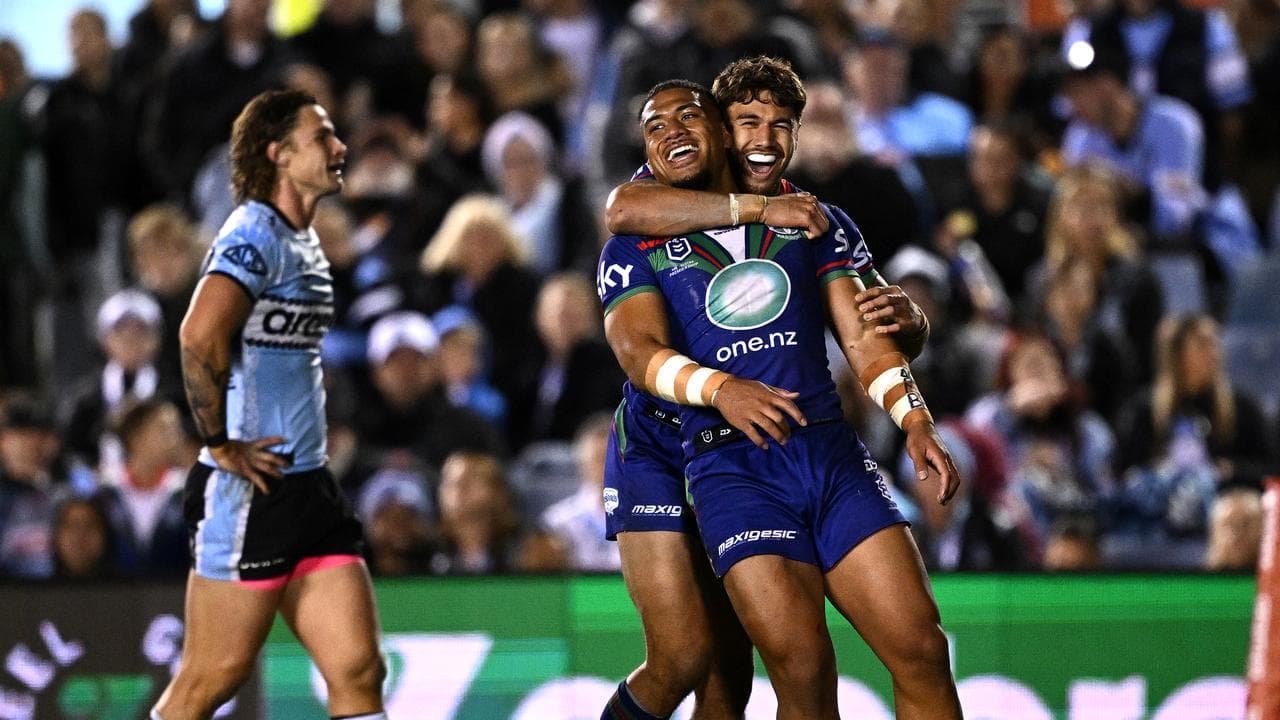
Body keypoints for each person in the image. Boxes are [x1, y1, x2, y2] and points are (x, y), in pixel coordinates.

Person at [599, 74, 962, 719]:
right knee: (708, 663)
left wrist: (914, 417)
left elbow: (866, 335)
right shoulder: (643, 225)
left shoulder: (817, 219)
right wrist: (724, 390)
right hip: (699, 449)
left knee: (923, 649)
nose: (764, 139)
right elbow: (635, 336)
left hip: (825, 448)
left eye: (781, 126)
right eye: (749, 123)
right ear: (724, 130)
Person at [151, 90, 386, 720]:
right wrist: (218, 442)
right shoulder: (254, 232)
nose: (340, 148)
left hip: (308, 483)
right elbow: (199, 335)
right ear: (278, 153)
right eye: (323, 137)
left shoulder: (301, 238)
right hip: (251, 491)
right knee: (210, 679)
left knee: (358, 668)